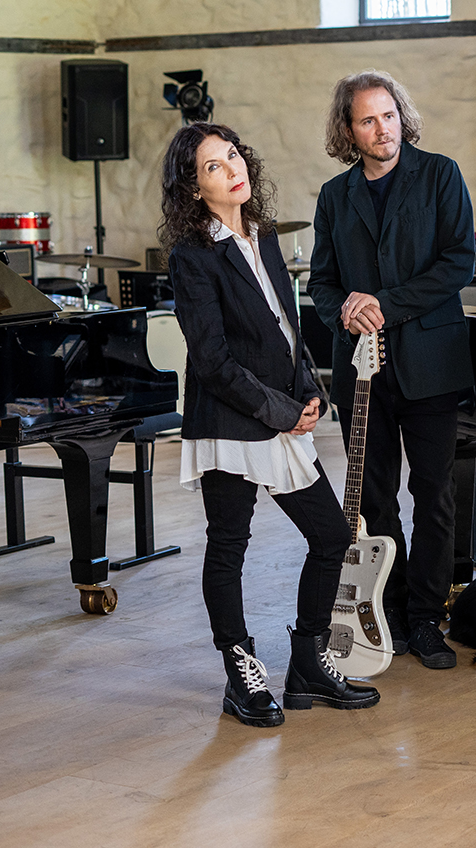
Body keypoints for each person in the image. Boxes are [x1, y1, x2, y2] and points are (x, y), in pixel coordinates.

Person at [161, 122, 379, 727]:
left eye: (233, 154)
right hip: (229, 424)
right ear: (193, 187)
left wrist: (310, 391)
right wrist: (283, 413)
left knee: (332, 537)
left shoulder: (262, 235)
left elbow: (288, 328)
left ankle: (307, 661)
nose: (231, 168)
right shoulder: (192, 255)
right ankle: (241, 673)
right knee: (229, 547)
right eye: (212, 165)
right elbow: (211, 361)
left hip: (278, 414)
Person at [309, 71, 476, 670]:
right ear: (348, 131)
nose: (383, 129)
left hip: (431, 362)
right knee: (375, 499)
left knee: (432, 495)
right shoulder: (334, 196)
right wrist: (348, 310)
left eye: (389, 115)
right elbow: (322, 283)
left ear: (402, 115)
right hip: (360, 372)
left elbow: (459, 262)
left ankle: (428, 618)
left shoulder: (440, 174)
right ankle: (392, 609)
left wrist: (385, 304)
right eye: (367, 120)